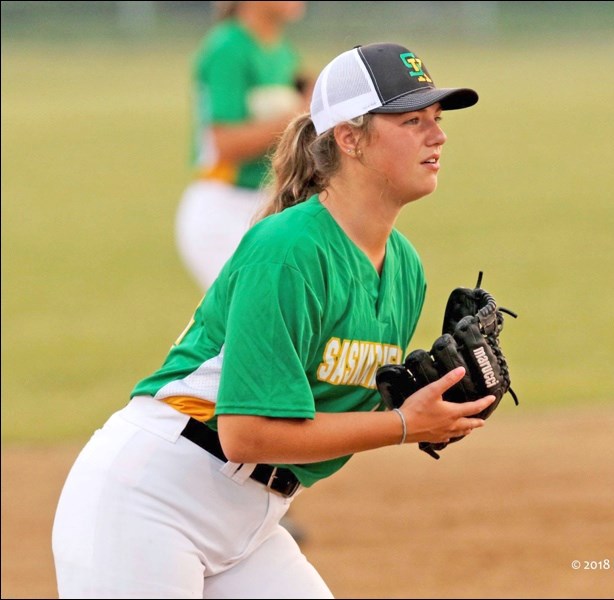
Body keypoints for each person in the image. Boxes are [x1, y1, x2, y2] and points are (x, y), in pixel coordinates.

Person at [52, 41, 492, 599]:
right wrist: (403, 424)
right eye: (411, 120)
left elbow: (325, 408)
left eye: (436, 118)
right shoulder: (286, 250)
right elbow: (244, 433)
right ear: (349, 138)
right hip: (151, 502)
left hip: (250, 523)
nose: (438, 135)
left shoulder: (405, 269)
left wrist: (436, 407)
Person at [175, 0, 311, 291]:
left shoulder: (281, 49)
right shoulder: (228, 47)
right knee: (251, 318)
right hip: (224, 207)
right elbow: (224, 143)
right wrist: (301, 114)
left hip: (266, 205)